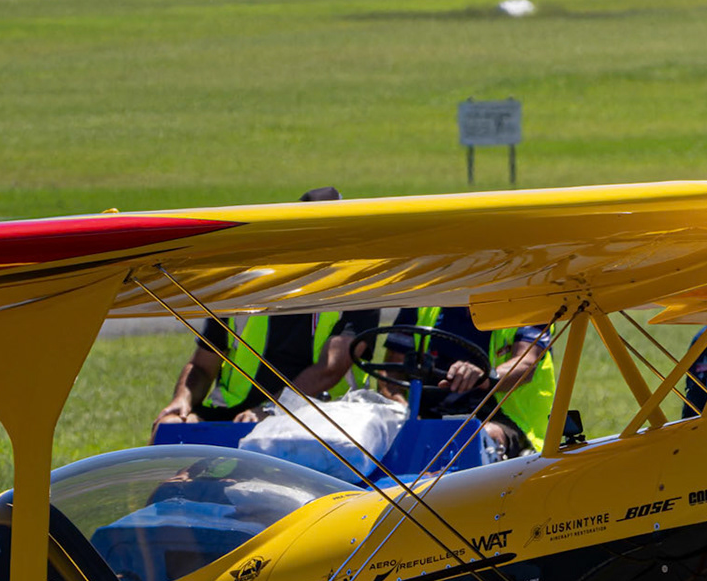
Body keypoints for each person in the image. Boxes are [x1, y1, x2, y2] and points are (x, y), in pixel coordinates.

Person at [154, 188, 376, 430]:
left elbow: (330, 369)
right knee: (168, 426)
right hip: (232, 417)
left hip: (319, 419)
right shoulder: (243, 287)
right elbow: (202, 365)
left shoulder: (358, 292)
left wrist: (272, 412)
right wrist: (182, 399)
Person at [382, 305, 558, 457]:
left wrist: (485, 376)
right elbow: (391, 372)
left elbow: (526, 364)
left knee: (476, 439)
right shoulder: (424, 298)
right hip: (424, 416)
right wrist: (406, 413)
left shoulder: (527, 301)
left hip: (503, 418)